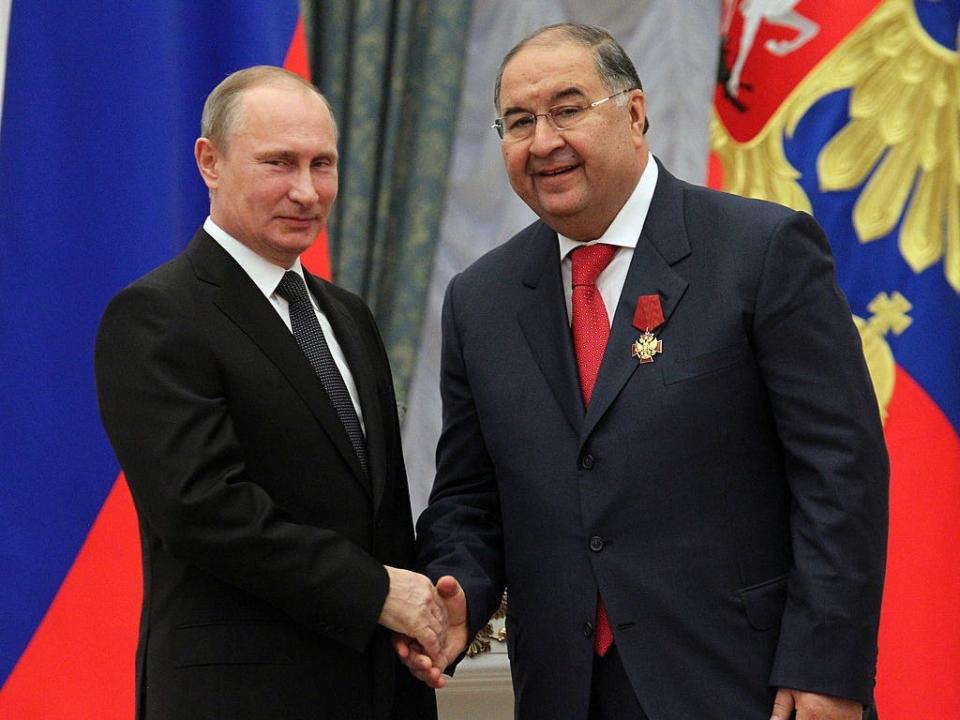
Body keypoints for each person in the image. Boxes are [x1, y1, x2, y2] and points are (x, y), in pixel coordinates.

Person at [400, 24, 888, 720]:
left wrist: (827, 671)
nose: (543, 141)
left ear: (633, 115)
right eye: (518, 122)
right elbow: (468, 501)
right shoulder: (481, 300)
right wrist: (454, 593)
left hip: (744, 686)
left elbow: (841, 475)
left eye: (568, 109)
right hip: (566, 692)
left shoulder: (761, 251)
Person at [95, 66, 442, 720]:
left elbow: (379, 511)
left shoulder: (348, 315)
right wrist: (374, 592)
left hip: (380, 692)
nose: (306, 191)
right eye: (278, 163)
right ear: (211, 162)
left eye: (323, 164)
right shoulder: (155, 315)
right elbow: (203, 510)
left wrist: (428, 608)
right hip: (241, 696)